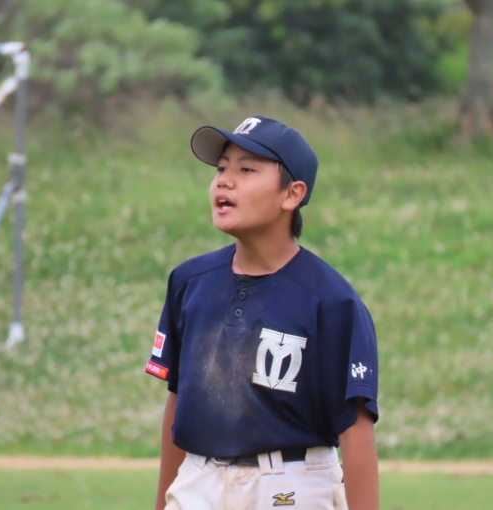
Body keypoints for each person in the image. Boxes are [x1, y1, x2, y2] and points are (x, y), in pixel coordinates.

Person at [145, 115, 379, 510]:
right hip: (197, 479)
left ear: (292, 194)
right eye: (221, 169)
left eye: (246, 170)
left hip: (291, 482)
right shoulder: (189, 282)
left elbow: (355, 429)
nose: (224, 181)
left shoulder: (331, 300)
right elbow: (178, 403)